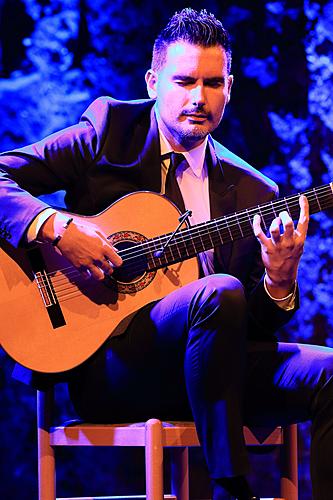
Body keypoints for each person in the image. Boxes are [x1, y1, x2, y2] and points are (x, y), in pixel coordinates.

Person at [0, 8, 332, 500]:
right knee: (217, 291)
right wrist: (55, 225)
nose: (199, 98)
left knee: (327, 371)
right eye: (185, 81)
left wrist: (278, 281)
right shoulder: (108, 131)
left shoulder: (254, 190)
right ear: (154, 81)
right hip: (112, 368)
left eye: (214, 83)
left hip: (214, 374)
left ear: (231, 87)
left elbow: (252, 326)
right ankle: (229, 486)